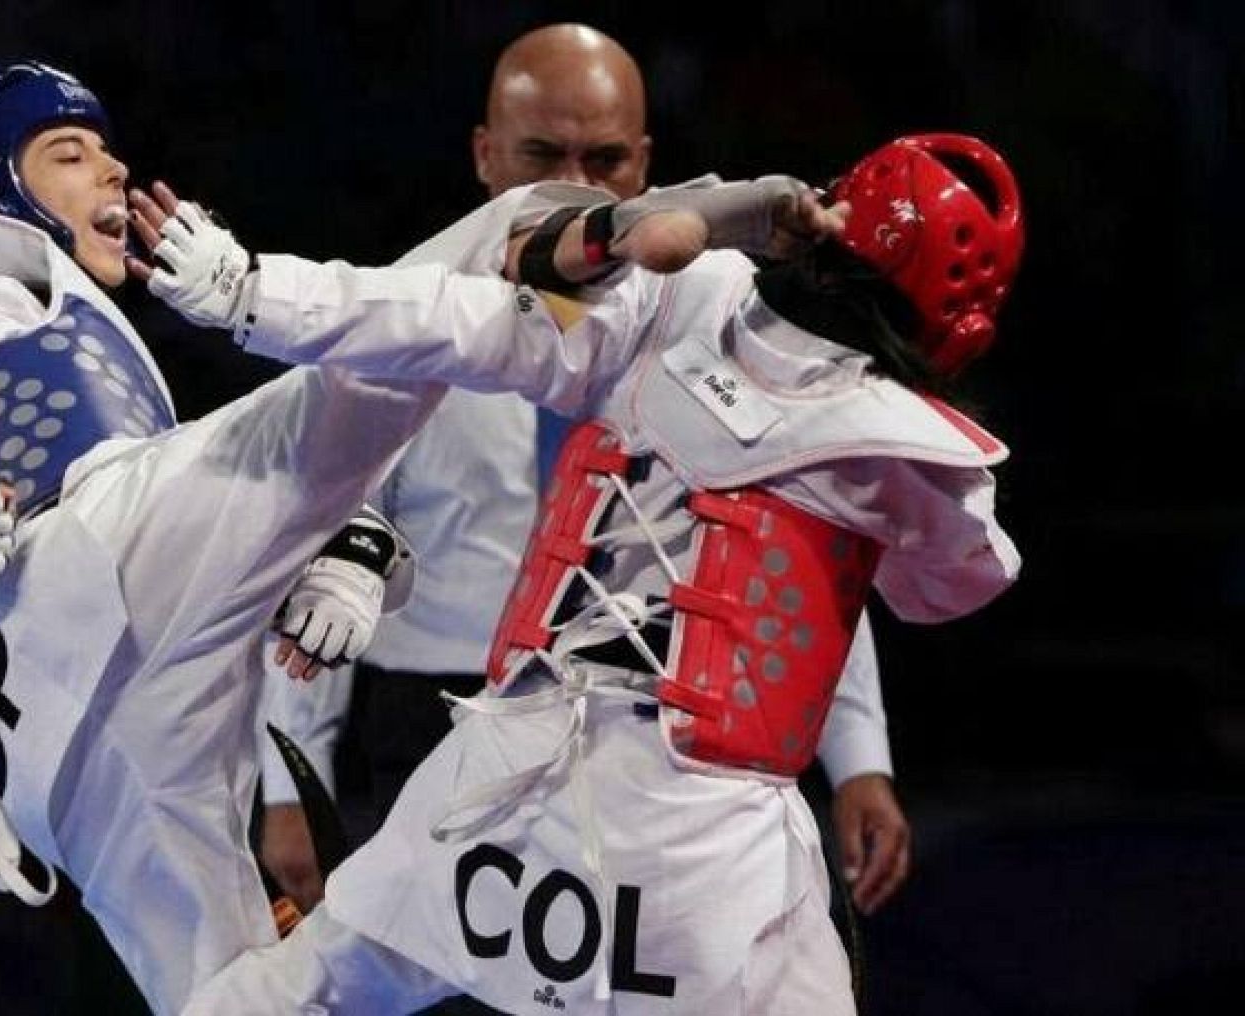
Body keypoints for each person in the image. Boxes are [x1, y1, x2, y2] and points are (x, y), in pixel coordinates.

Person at [144, 132, 1024, 1014]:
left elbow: (445, 313)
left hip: (499, 775)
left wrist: (253, 294)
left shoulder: (676, 294)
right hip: (693, 838)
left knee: (300, 994)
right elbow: (939, 585)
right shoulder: (905, 456)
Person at [0, 60, 449, 1014]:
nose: (114, 171)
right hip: (73, 588)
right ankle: (532, 247)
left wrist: (351, 555)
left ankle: (459, 927)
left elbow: (211, 502)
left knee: (243, 996)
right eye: (70, 152)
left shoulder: (67, 342)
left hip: (62, 741)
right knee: (378, 366)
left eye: (108, 150)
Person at [258, 23, 912, 925]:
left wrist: (859, 755)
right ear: (484, 156)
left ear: (645, 165)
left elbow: (800, 533)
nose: (575, 183)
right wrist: (289, 780)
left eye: (604, 159)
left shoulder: (719, 314)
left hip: (651, 726)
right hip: (427, 718)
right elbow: (320, 543)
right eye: (541, 155)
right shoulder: (407, 318)